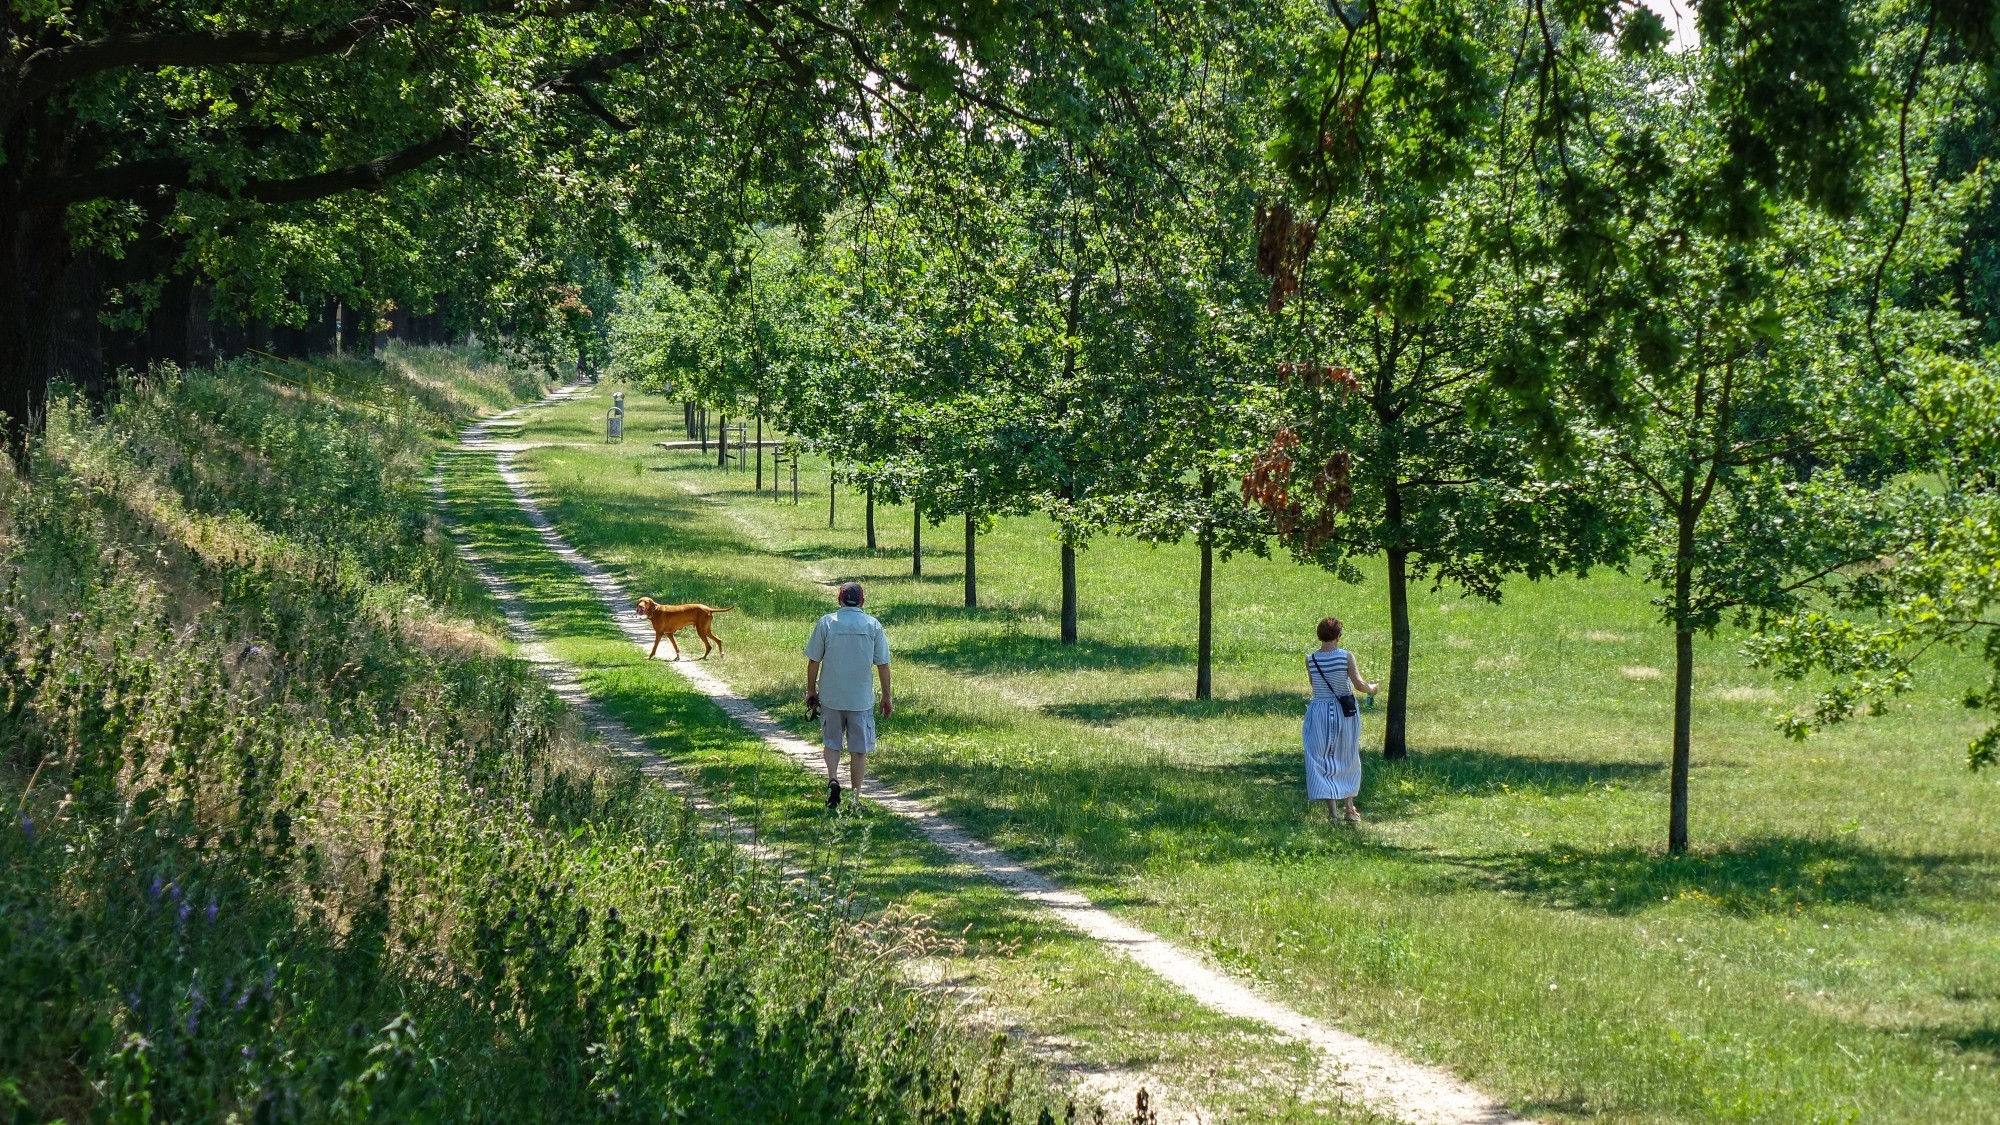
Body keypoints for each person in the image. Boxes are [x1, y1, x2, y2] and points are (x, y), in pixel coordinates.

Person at [804, 581, 893, 809]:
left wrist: (811, 690)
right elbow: (883, 665)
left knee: (832, 743)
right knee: (858, 749)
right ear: (862, 601)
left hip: (832, 696)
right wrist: (886, 696)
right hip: (860, 698)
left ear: (839, 599)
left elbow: (814, 661)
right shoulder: (873, 625)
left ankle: (833, 778)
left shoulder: (826, 623)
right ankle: (855, 798)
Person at [1304, 616, 1378, 824]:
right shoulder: (1346, 656)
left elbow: (1314, 683)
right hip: (1344, 711)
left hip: (1318, 711)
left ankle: (1332, 813)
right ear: (1338, 636)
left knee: (1321, 757)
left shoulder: (1311, 659)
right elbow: (1358, 684)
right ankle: (1349, 807)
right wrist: (1372, 689)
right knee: (1347, 755)